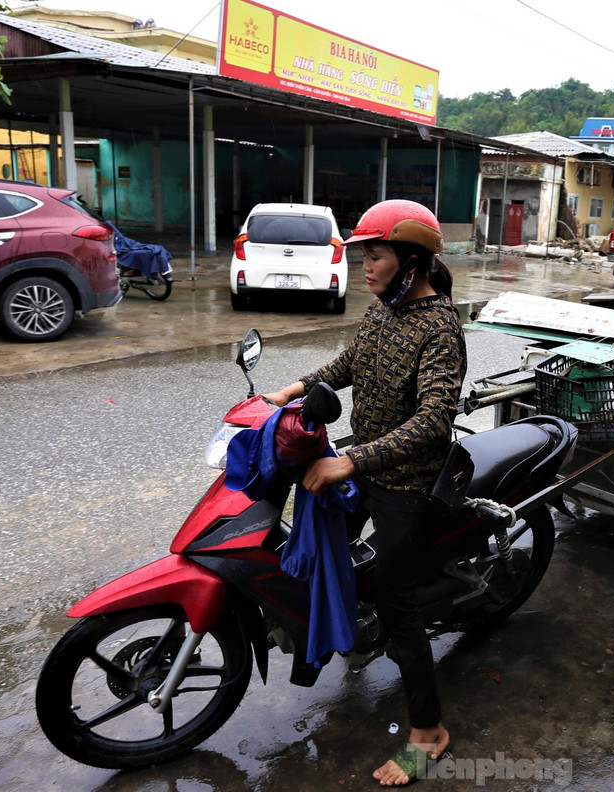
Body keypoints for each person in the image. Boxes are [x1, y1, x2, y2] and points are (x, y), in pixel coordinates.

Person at [263, 199, 466, 786]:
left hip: (408, 482)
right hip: (365, 465)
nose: (365, 268)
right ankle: (341, 627)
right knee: (313, 541)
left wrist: (350, 461)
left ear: (411, 259)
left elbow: (434, 420)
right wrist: (289, 391)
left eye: (374, 255)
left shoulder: (439, 327)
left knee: (397, 598)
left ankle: (429, 733)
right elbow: (352, 361)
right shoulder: (383, 311)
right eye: (363, 258)